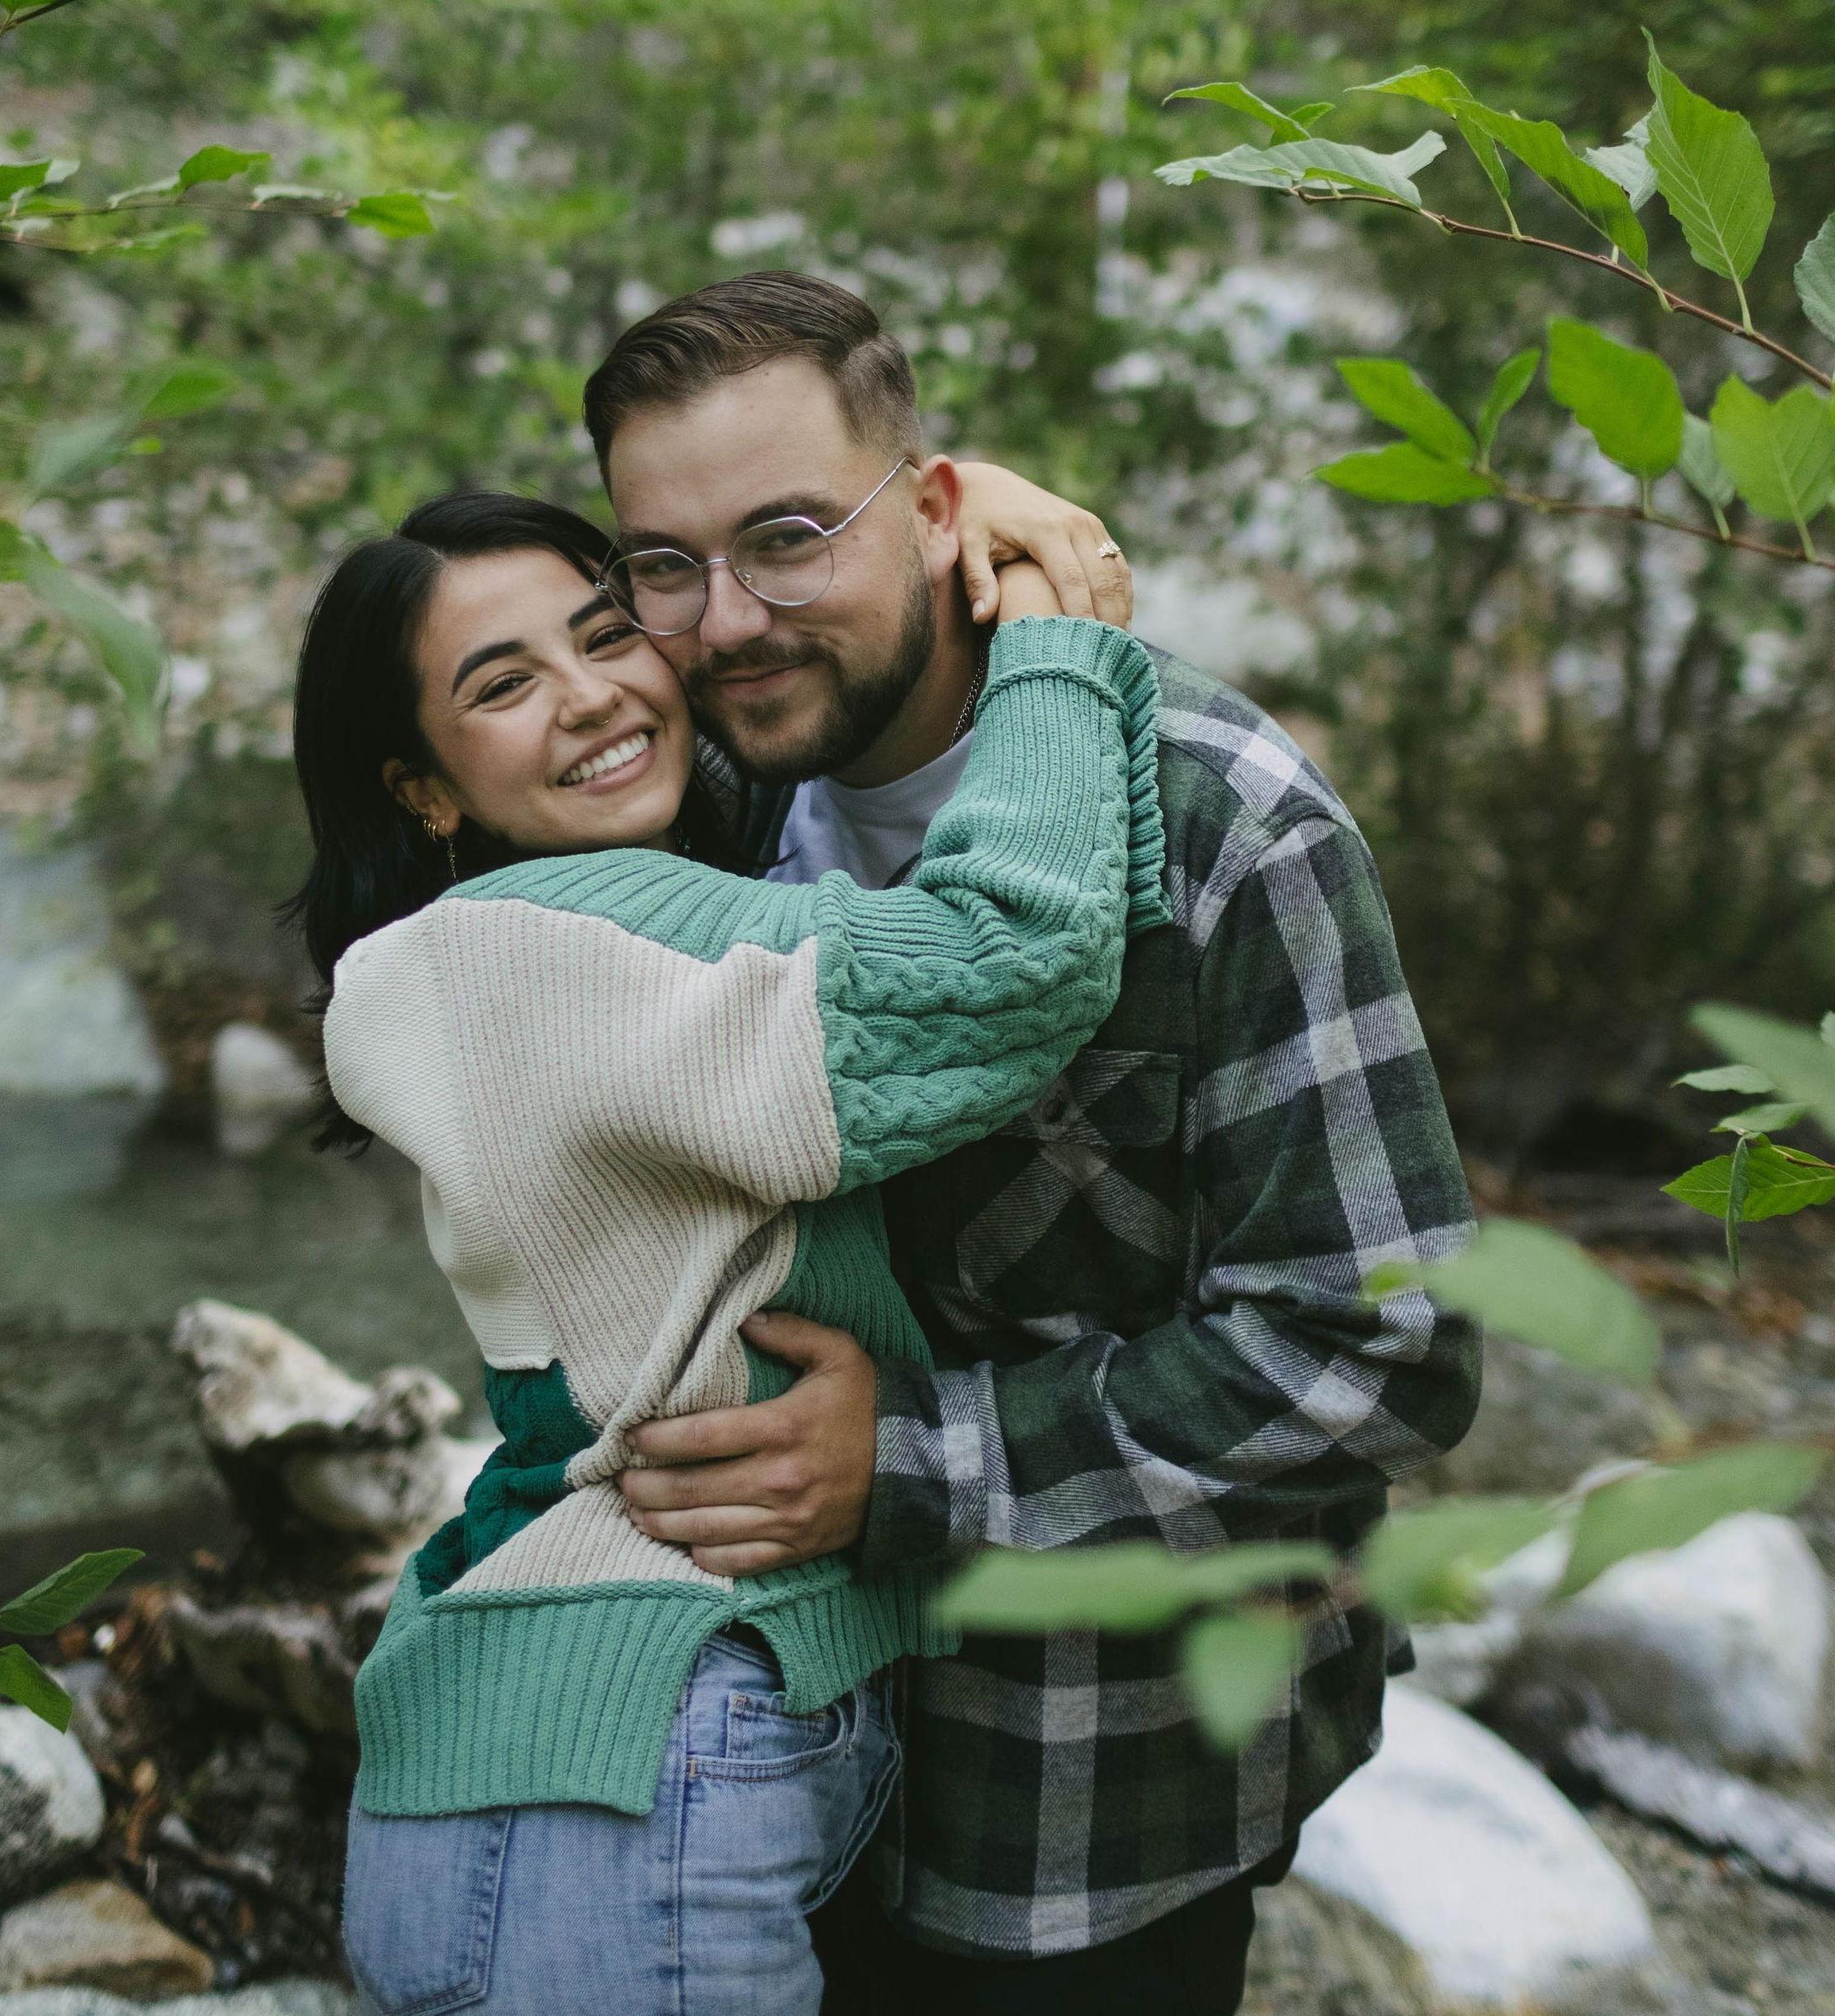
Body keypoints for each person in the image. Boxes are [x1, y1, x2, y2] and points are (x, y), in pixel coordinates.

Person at [584, 271, 1484, 2014]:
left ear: (934, 512)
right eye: (665, 564)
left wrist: (910, 1460)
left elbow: (1383, 1349)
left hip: (1087, 1804)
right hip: (757, 1768)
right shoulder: (691, 796)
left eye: (787, 538)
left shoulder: (1224, 825)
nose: (727, 619)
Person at [287, 472, 1166, 2015]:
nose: (590, 696)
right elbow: (1014, 961)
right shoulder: (568, 948)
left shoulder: (577, 936)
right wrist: (1050, 628)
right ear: (423, 789)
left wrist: (935, 510)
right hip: (610, 1782)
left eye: (604, 633)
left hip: (581, 1775)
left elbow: (1085, 898)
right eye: (501, 685)